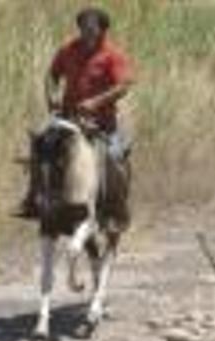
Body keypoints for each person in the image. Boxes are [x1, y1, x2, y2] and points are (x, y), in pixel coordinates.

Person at [17, 6, 134, 226]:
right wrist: (51, 97)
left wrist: (95, 102)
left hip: (103, 123)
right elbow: (52, 75)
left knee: (114, 158)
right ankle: (33, 199)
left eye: (92, 29)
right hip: (68, 117)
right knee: (40, 146)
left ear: (103, 30)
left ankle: (116, 210)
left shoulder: (113, 55)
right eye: (83, 29)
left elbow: (124, 86)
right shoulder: (68, 50)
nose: (87, 34)